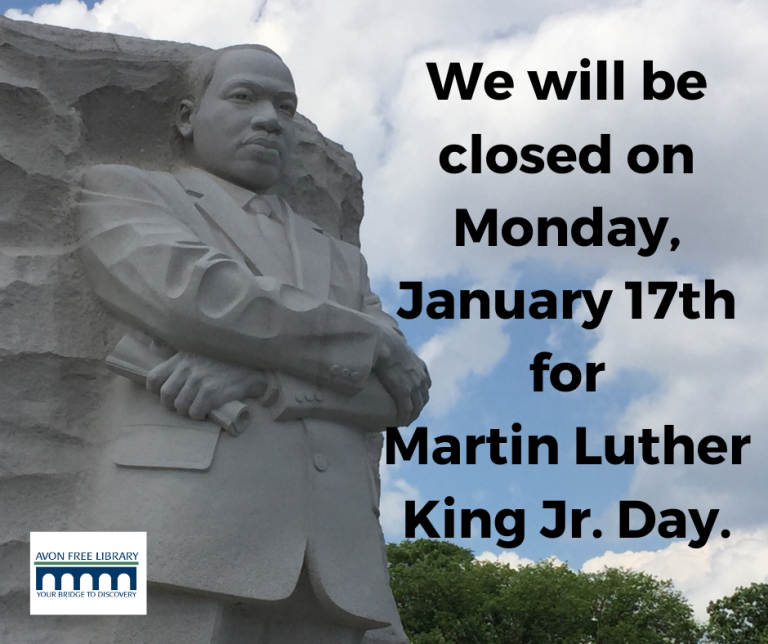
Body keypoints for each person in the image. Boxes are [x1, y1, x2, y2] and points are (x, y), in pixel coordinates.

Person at [78, 43, 429, 644]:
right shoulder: (118, 188)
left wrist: (265, 380)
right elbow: (197, 295)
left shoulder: (340, 257)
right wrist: (371, 339)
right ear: (187, 117)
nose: (269, 119)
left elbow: (402, 394)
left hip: (339, 570)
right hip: (151, 536)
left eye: (285, 107)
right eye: (244, 97)